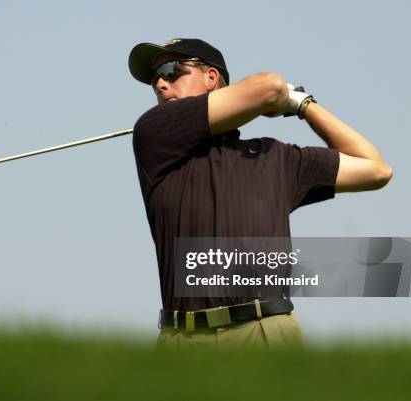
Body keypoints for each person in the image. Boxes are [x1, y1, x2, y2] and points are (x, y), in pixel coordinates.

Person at [128, 38, 393, 349]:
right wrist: (276, 99)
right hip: (183, 339)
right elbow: (268, 89)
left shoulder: (275, 157)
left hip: (265, 332)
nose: (161, 83)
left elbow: (375, 168)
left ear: (211, 78)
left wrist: (304, 105)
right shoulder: (154, 132)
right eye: (155, 78)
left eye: (172, 70)